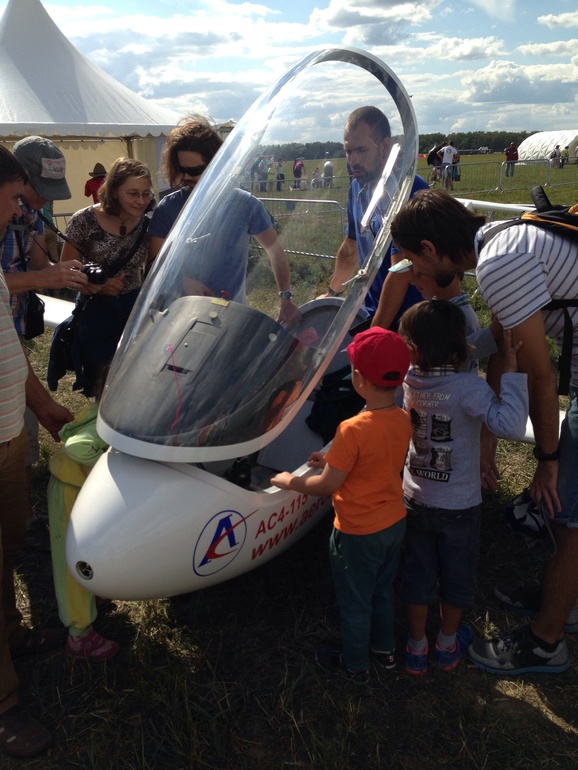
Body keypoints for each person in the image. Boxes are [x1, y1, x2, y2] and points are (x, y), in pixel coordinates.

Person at [389, 188, 578, 675]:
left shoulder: (499, 265)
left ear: (430, 249)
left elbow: (539, 374)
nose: (414, 275)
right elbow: (500, 343)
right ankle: (562, 596)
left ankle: (547, 641)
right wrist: (485, 443)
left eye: (413, 262)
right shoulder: (500, 240)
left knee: (569, 510)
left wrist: (548, 459)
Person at [271, 327, 412, 680]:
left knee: (355, 601)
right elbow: (374, 459)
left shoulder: (351, 428)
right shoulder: (403, 418)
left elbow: (326, 486)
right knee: (382, 592)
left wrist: (290, 481)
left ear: (358, 379)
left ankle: (355, 665)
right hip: (393, 522)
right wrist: (333, 461)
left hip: (358, 532)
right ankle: (385, 650)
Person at [397, 300, 528, 675]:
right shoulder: (468, 387)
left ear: (414, 350)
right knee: (456, 576)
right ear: (457, 346)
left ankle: (416, 648)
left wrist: (493, 333)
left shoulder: (408, 380)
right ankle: (447, 644)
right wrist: (512, 374)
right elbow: (510, 424)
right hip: (459, 507)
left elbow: (460, 349)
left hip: (415, 498)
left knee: (418, 575)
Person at [0, 145, 76, 759]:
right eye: (11, 199)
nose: (16, 212)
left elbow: (8, 344)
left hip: (9, 433)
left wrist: (41, 403)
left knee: (8, 544)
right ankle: (3, 707)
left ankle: (10, 634)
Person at [1, 137, 88, 530]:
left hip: (11, 332)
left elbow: (39, 266)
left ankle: (20, 511)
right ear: (17, 179)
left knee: (21, 427)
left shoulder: (31, 215)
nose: (42, 201)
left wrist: (68, 274)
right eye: (36, 191)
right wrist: (45, 278)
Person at [147, 117, 300, 327]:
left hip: (230, 321)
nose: (186, 177)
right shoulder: (168, 208)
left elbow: (275, 252)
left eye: (194, 171)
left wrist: (286, 298)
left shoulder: (245, 204)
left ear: (217, 165)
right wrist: (183, 282)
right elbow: (153, 266)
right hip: (179, 321)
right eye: (181, 170)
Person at [320, 106, 428, 329]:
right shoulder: (356, 189)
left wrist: (375, 332)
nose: (353, 160)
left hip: (410, 322)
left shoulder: (409, 190)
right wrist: (332, 293)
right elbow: (350, 249)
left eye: (361, 150)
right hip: (371, 311)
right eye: (348, 151)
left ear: (385, 147)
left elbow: (401, 270)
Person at [60, 157, 154, 397]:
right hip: (95, 309)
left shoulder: (149, 225)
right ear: (113, 191)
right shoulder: (84, 220)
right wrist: (98, 285)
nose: (141, 200)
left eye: (146, 194)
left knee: (134, 374)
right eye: (133, 193)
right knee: (100, 377)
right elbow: (66, 269)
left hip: (133, 307)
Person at [47, 369, 118, 661]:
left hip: (82, 491)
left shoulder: (105, 413)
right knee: (72, 563)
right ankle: (78, 634)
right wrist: (110, 464)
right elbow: (76, 447)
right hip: (69, 493)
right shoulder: (105, 425)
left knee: (91, 551)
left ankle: (93, 593)